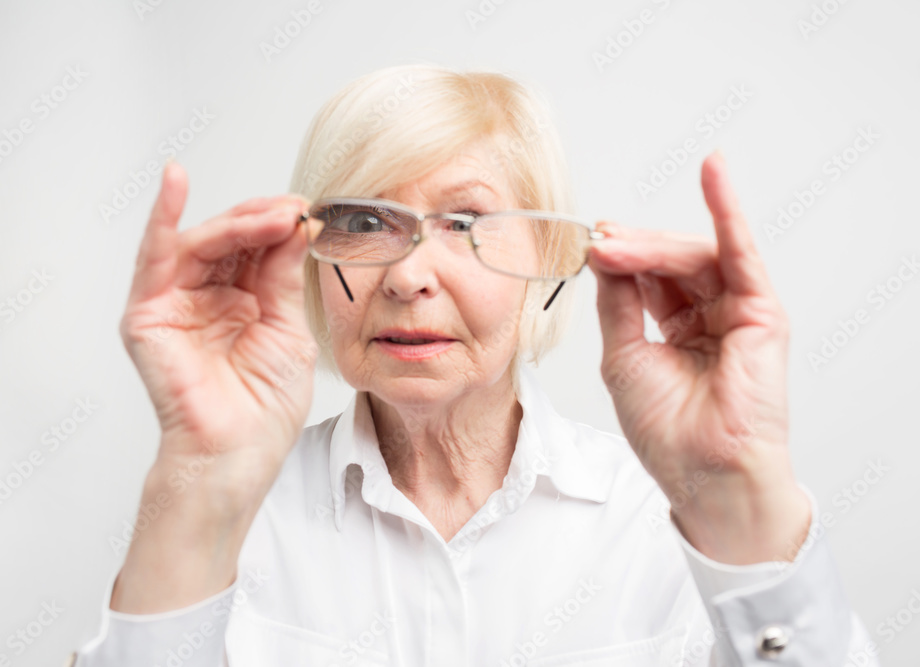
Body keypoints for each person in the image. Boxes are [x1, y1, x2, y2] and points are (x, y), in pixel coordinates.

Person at [71, 64, 881, 666]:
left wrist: (737, 493)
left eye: (464, 220)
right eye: (361, 219)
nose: (408, 274)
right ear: (308, 253)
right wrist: (202, 479)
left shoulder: (661, 527)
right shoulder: (228, 516)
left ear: (554, 255)